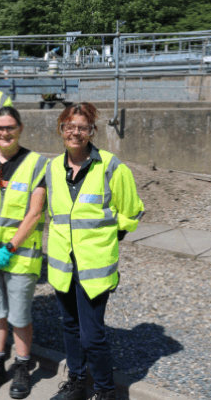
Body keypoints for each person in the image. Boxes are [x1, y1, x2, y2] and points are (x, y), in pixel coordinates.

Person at [45, 103, 144, 400]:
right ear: (62, 129)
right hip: (63, 262)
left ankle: (104, 390)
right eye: (70, 126)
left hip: (95, 264)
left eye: (82, 127)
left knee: (92, 334)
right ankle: (76, 382)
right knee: (70, 326)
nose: (76, 132)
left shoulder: (112, 166)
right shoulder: (51, 168)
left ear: (92, 131)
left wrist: (110, 237)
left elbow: (132, 211)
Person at [0, 107, 48, 399]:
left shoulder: (38, 164)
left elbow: (35, 211)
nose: (4, 133)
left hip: (20, 256)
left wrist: (11, 247)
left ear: (20, 128)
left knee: (19, 316)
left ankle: (22, 368)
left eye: (10, 127)